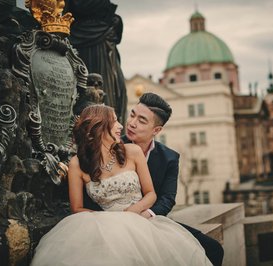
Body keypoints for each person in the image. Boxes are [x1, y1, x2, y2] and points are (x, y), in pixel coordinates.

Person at [31, 104, 212, 266]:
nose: (121, 126)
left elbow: (152, 194)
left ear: (156, 129)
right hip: (104, 225)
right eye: (115, 122)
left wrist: (131, 213)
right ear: (97, 129)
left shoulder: (132, 151)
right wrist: (108, 220)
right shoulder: (77, 164)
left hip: (141, 221)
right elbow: (77, 208)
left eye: (119, 121)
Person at [123, 92, 224, 266]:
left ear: (156, 130)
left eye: (142, 120)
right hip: (119, 220)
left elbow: (167, 199)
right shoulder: (113, 147)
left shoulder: (169, 158)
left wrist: (146, 215)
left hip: (151, 219)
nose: (132, 123)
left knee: (213, 249)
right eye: (132, 115)